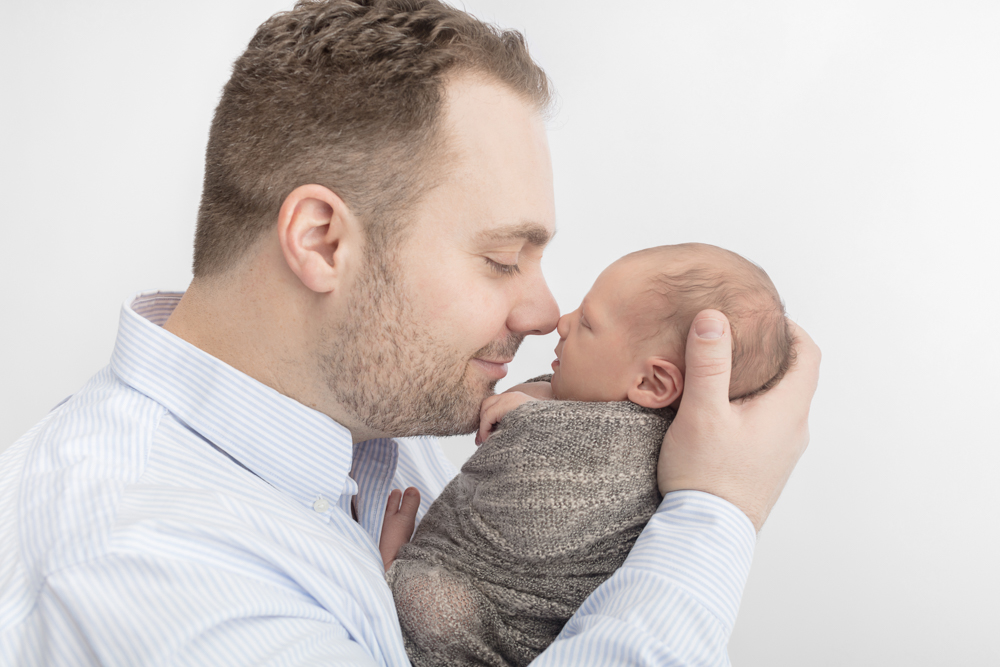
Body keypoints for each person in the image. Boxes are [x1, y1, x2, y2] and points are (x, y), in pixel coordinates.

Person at [0, 1, 820, 665]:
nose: (542, 314)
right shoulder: (160, 584)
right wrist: (716, 512)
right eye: (502, 258)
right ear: (323, 241)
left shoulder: (375, 414)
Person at [383, 243, 794, 667]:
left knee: (430, 604)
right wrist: (535, 404)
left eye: (589, 324)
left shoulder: (614, 457)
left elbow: (525, 521)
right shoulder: (669, 441)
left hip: (491, 633)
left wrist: (395, 572)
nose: (561, 322)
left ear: (653, 384)